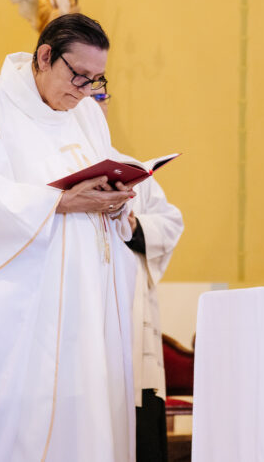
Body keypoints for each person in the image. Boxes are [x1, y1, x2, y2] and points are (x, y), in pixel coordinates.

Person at [0, 14, 139, 461]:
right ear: (44, 57)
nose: (85, 89)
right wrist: (60, 202)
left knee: (84, 417)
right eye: (78, 75)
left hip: (85, 303)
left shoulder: (87, 114)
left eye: (96, 80)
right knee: (16, 427)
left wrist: (119, 198)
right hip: (17, 309)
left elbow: (103, 171)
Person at [95, 90, 184, 462]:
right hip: (79, 318)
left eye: (101, 94)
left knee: (138, 424)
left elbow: (171, 222)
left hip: (129, 317)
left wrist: (133, 224)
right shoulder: (45, 168)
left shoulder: (130, 170)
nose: (96, 102)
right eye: (86, 91)